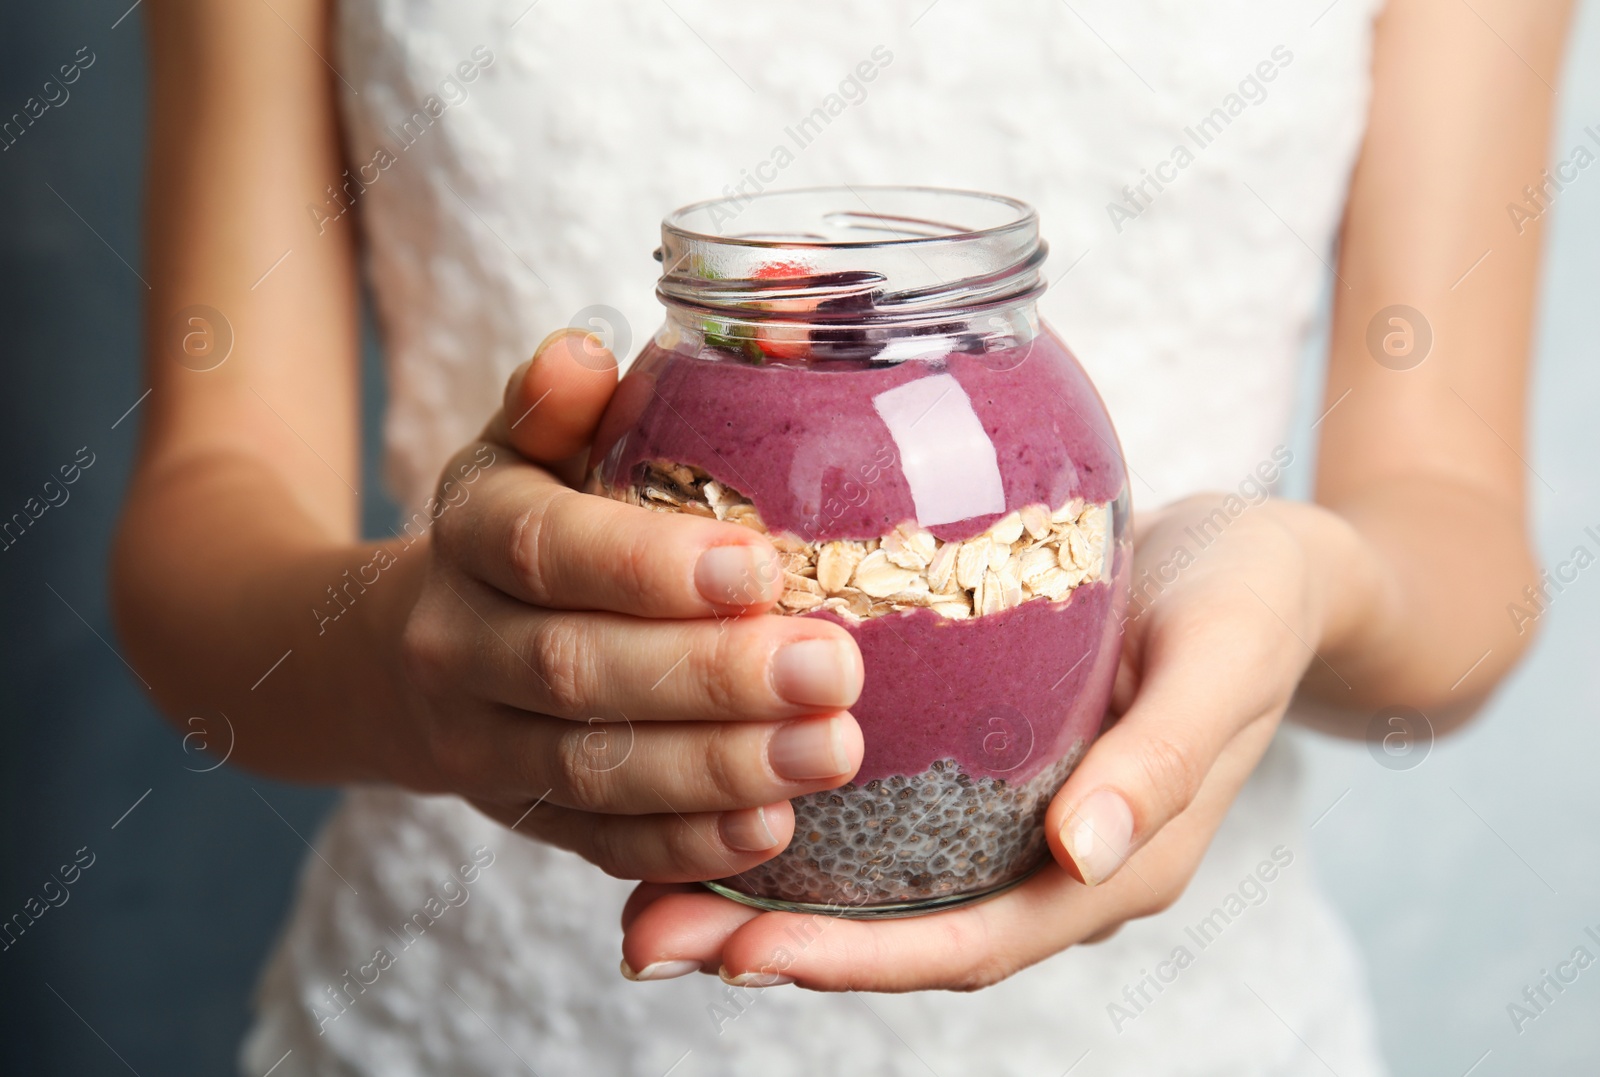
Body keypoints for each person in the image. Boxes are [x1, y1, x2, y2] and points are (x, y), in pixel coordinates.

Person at [115, 0, 1570, 1073]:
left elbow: (1457, 556)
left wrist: (1303, 579)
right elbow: (204, 526)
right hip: (468, 1011)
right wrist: (412, 663)